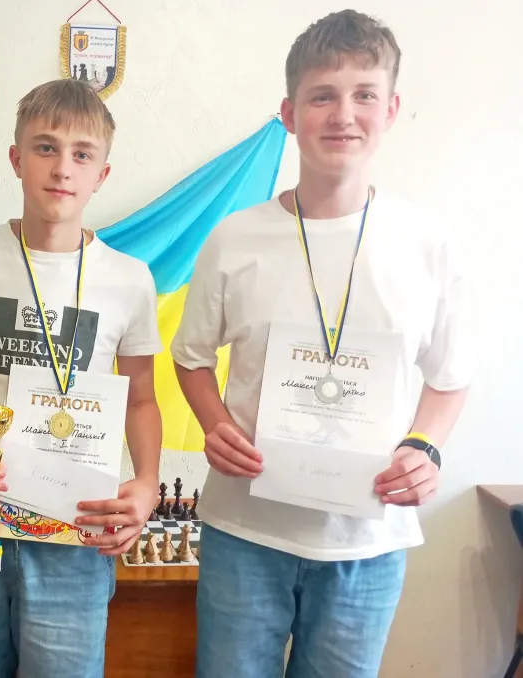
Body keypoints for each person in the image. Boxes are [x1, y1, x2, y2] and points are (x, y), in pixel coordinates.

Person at [171, 10, 471, 678]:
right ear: (288, 112)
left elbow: (450, 376)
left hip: (368, 542)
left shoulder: (427, 243)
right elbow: (191, 358)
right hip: (245, 532)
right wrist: (215, 424)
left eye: (364, 94)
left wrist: (425, 446)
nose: (343, 114)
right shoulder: (234, 238)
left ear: (391, 110)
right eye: (322, 96)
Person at [0, 78, 163, 677]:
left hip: (75, 519)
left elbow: (141, 400)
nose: (62, 168)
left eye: (83, 154)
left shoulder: (129, 278)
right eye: (45, 147)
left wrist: (148, 483)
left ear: (103, 174)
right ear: (16, 158)